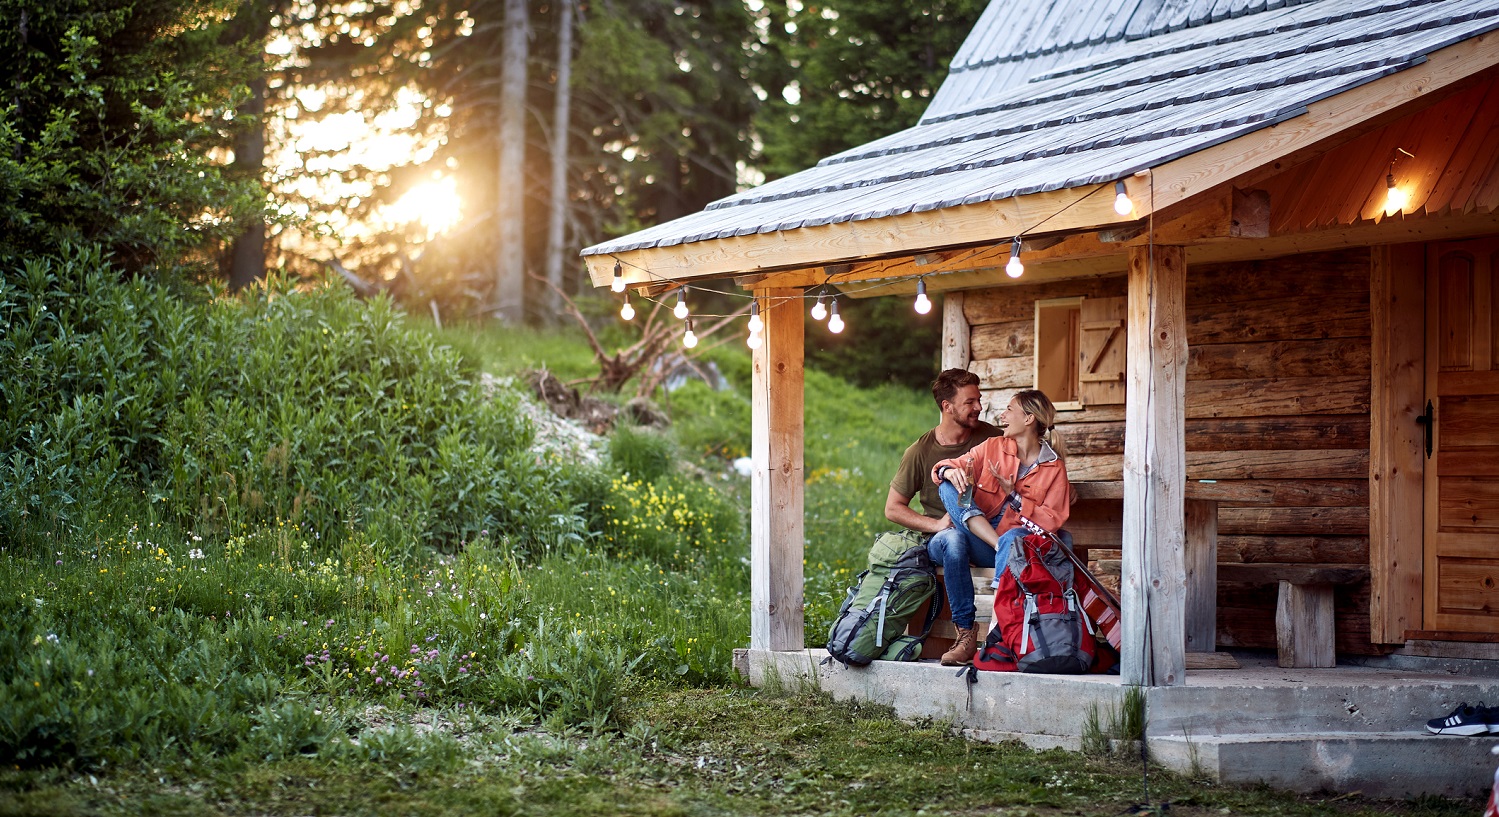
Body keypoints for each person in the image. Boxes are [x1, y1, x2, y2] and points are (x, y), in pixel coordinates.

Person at [928, 388, 1071, 666]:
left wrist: (1016, 497)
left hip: (1017, 544)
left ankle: (999, 630)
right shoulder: (993, 446)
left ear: (1028, 418)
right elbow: (946, 466)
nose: (1001, 416)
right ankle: (966, 633)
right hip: (984, 540)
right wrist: (948, 470)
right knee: (951, 518)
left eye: (1009, 410)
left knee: (1015, 538)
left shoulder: (1054, 468)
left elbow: (1051, 521)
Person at [885, 369, 1001, 537]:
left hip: (986, 536)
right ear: (947, 406)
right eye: (970, 402)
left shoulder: (993, 438)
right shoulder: (920, 451)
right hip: (944, 538)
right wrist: (937, 525)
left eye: (979, 400)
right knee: (953, 541)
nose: (979, 407)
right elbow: (892, 508)